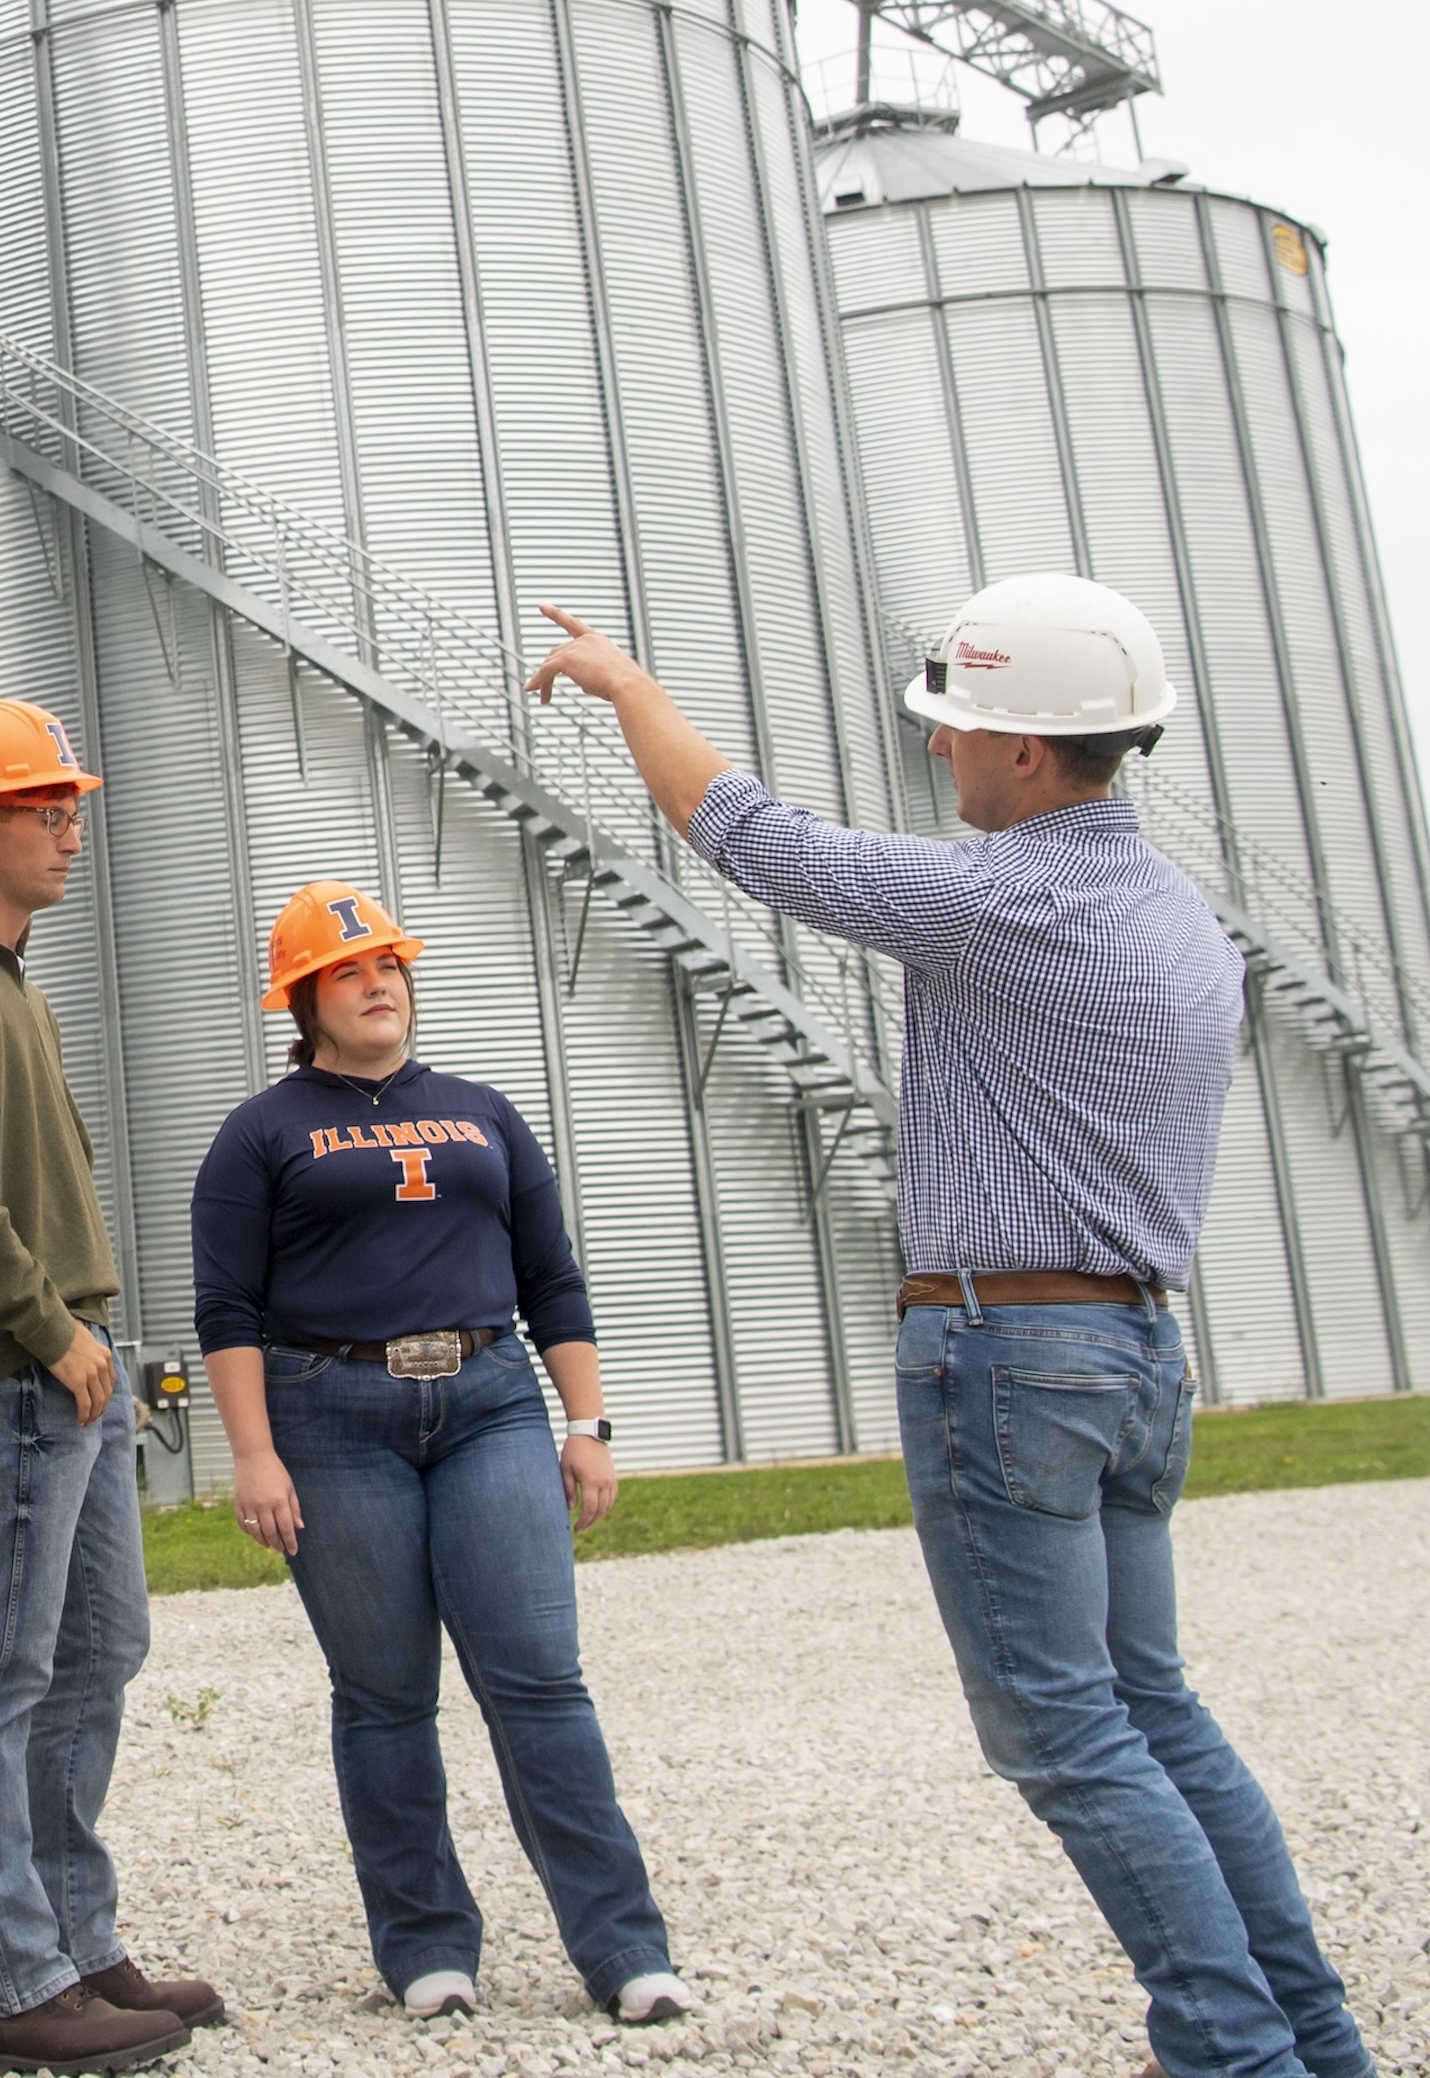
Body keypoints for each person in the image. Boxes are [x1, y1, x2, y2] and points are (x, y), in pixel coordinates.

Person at [526, 574, 1373, 2078]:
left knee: (1067, 1731)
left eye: (963, 726)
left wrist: (629, 687)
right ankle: (1312, 2038)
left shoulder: (1007, 900)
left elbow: (752, 838)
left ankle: (1237, 2056)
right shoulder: (1186, 921)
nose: (944, 751)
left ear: (1033, 754)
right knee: (1153, 1704)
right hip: (1133, 1349)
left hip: (1008, 1351)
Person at [191, 881, 694, 2032]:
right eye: (352, 970)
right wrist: (255, 1454)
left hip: (489, 1404)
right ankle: (425, 1946)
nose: (381, 983)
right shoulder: (262, 1129)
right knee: (384, 1694)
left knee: (539, 1678)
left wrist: (588, 1422)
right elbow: (226, 1307)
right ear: (305, 998)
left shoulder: (484, 1110)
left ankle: (624, 1946)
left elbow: (552, 1277)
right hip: (331, 1415)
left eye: (392, 966)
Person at [0, 699, 218, 2078]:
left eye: (72, 802)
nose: (74, 825)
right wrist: (45, 1329)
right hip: (21, 1368)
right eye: (46, 804)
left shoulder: (17, 980)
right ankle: (5, 1985)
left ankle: (72, 1942)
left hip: (74, 1364)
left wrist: (91, 1345)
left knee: (96, 1653)